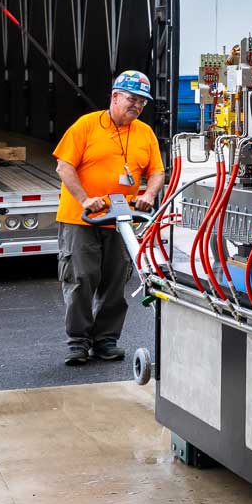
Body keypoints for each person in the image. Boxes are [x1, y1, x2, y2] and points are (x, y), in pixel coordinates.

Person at [53, 70, 163, 366]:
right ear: (115, 97)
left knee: (115, 281)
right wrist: (85, 199)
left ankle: (106, 340)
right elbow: (64, 168)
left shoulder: (144, 133)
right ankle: (78, 342)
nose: (137, 105)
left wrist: (149, 195)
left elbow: (157, 172)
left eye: (142, 101)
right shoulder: (87, 126)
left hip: (121, 219)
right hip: (82, 219)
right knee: (81, 279)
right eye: (132, 99)